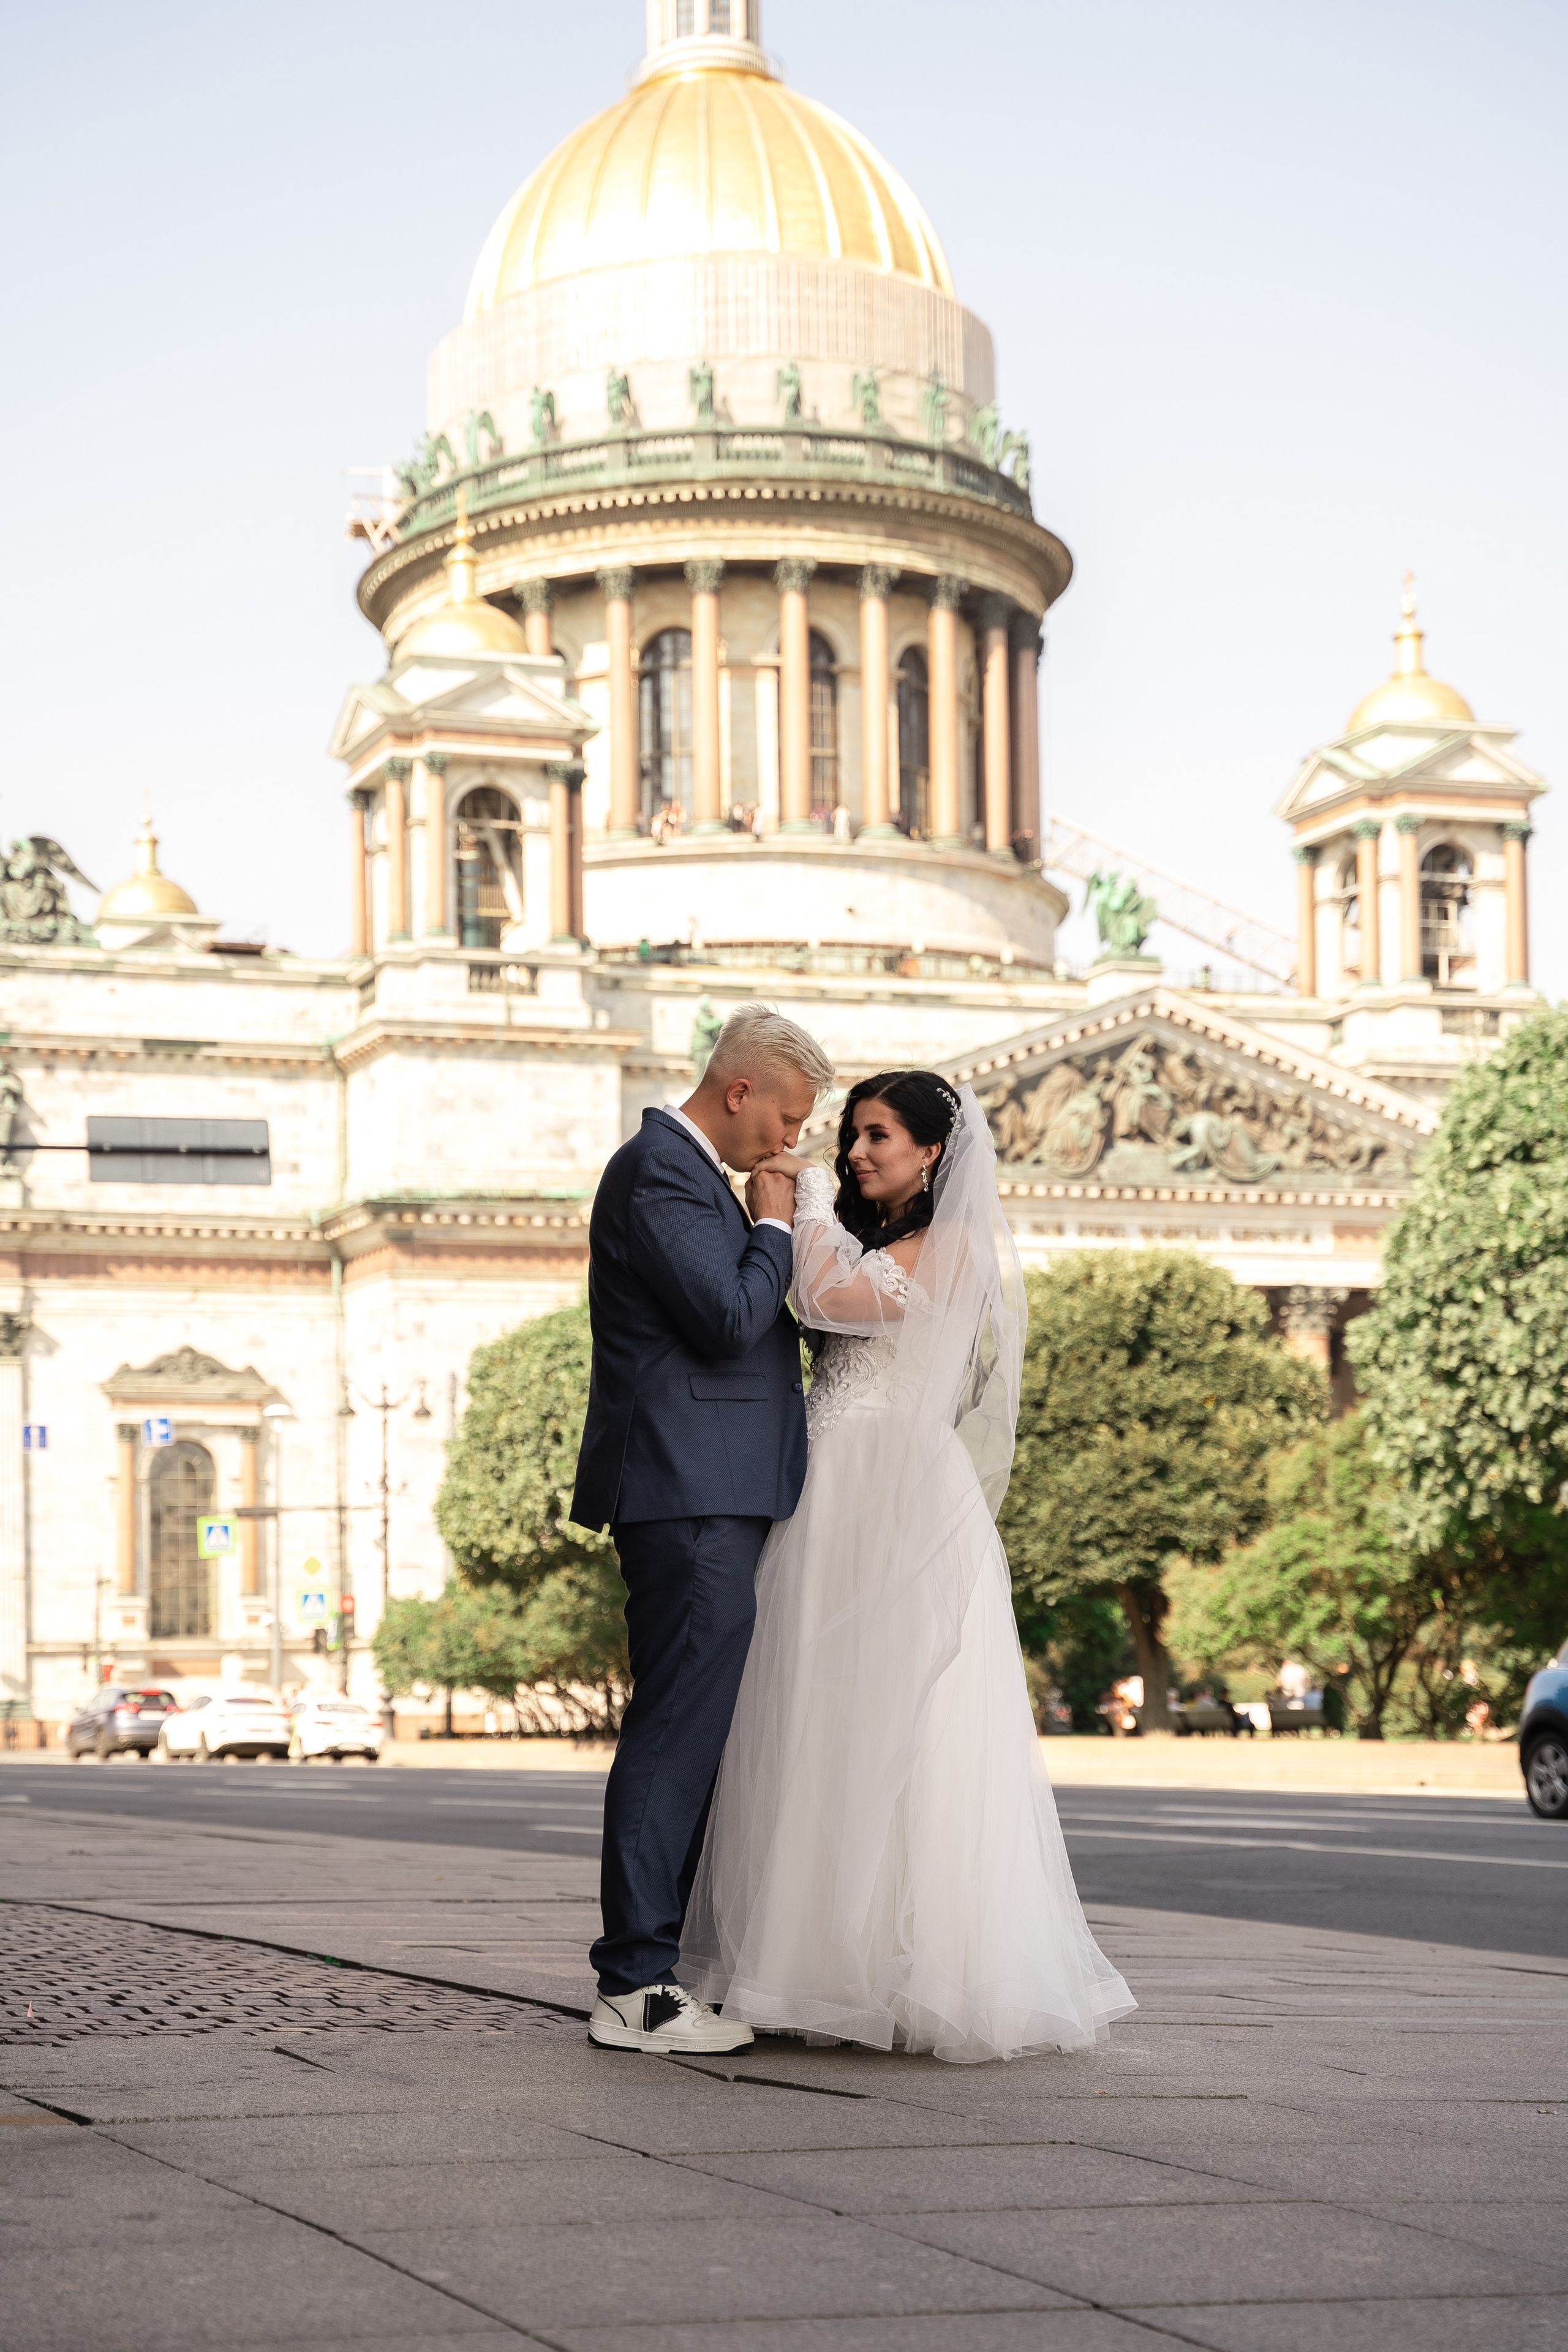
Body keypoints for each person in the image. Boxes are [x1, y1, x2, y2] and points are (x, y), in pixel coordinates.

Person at [681, 1071, 1136, 2063]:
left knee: (901, 1726)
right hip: (831, 1489)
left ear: (934, 1151)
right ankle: (812, 1962)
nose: (854, 1154)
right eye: (850, 1139)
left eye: (877, 1136)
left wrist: (791, 1202)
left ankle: (891, 1969)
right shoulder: (886, 1240)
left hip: (892, 1495)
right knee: (816, 1719)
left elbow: (828, 1297)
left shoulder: (955, 1245)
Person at [571, 1004, 835, 2054]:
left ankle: (652, 1975)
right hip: (686, 1493)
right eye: (784, 1118)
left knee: (693, 1733)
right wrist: (773, 1225)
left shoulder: (688, 1176)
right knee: (675, 1733)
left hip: (713, 1489)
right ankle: (635, 1987)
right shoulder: (659, 1172)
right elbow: (727, 1319)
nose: (788, 1142)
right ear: (738, 1094)